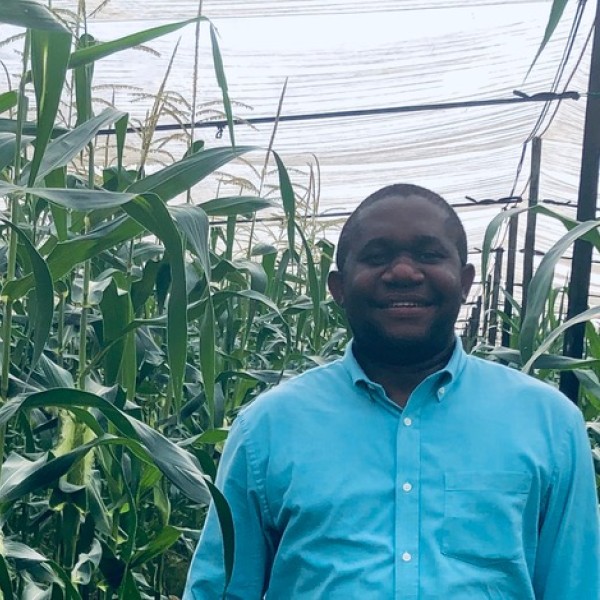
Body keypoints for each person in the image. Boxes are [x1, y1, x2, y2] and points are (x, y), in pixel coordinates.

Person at [183, 184, 600, 599]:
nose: (403, 273)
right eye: (377, 257)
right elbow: (222, 590)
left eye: (429, 255)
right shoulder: (266, 429)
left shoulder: (549, 424)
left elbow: (574, 586)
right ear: (338, 287)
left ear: (465, 282)